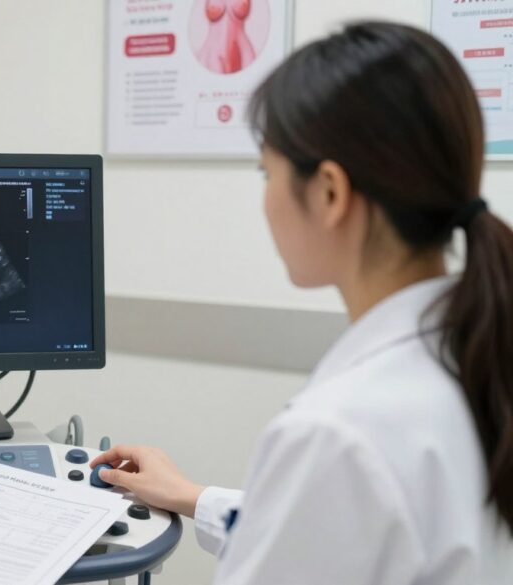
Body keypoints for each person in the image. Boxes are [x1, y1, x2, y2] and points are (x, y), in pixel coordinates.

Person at [92, 22, 513, 584]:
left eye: (269, 171)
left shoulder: (339, 434)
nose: (265, 200)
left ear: (330, 193)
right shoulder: (474, 354)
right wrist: (193, 496)